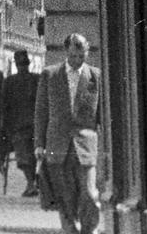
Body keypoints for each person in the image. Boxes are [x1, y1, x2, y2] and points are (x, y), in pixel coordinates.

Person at [34, 34, 102, 234]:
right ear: (66, 53)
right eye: (73, 56)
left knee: (89, 194)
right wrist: (39, 143)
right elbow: (41, 112)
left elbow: (102, 114)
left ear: (87, 53)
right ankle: (69, 230)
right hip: (57, 144)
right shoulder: (50, 74)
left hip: (86, 144)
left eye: (81, 56)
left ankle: (89, 230)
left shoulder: (95, 75)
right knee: (64, 195)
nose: (77, 61)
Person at [3, 49, 40, 196]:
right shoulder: (35, 79)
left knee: (25, 156)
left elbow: (4, 106)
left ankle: (32, 183)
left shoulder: (11, 81)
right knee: (28, 156)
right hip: (27, 125)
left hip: (22, 125)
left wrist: (4, 126)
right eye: (21, 64)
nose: (22, 67)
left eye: (23, 64)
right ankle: (32, 183)